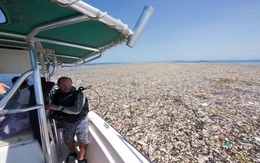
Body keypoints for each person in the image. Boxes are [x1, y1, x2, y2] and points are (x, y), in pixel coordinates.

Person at [46, 77, 89, 163]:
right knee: (68, 139)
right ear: (59, 86)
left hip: (80, 120)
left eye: (69, 85)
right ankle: (72, 153)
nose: (67, 88)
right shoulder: (56, 95)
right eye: (64, 86)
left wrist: (58, 108)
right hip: (67, 121)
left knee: (83, 139)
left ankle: (81, 158)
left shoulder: (79, 94)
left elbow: (77, 110)